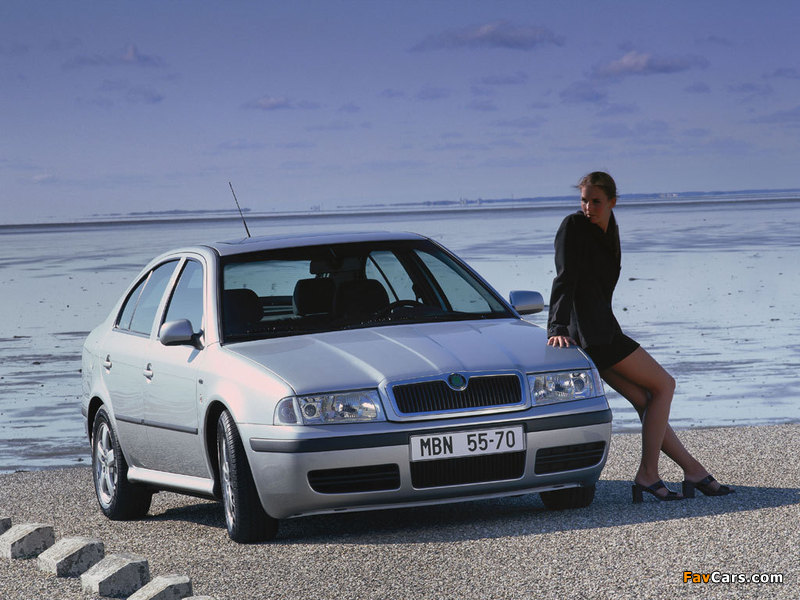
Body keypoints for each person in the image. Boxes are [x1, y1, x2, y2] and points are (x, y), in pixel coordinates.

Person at [546, 171, 733, 503]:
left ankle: (693, 470)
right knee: (665, 385)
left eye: (596, 201)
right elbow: (565, 278)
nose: (588, 207)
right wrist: (557, 328)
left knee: (648, 401)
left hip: (604, 328)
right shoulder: (573, 227)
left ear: (613, 202)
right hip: (592, 333)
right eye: (584, 200)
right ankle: (648, 473)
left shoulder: (610, 230)